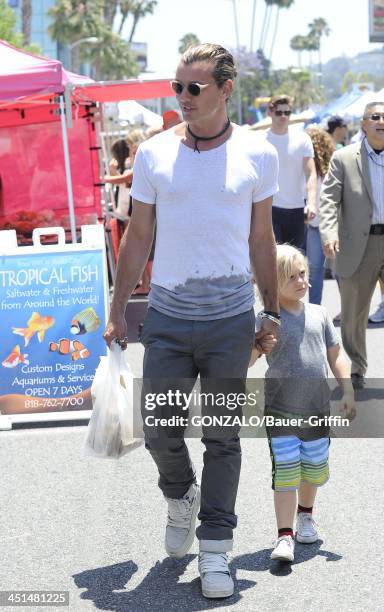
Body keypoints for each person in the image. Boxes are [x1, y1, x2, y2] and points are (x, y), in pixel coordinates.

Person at [103, 43, 280, 599]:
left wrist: (270, 311)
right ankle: (181, 495)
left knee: (223, 438)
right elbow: (138, 237)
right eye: (177, 87)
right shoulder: (154, 154)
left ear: (226, 90)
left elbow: (261, 238)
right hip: (169, 319)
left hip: (231, 320)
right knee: (160, 429)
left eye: (194, 88)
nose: (182, 97)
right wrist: (116, 310)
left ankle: (216, 551)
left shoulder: (258, 154)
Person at [252, 244, 355, 562]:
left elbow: (336, 357)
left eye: (303, 274)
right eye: (292, 277)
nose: (302, 281)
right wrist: (258, 344)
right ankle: (284, 536)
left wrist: (347, 390)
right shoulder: (268, 320)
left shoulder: (319, 314)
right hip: (281, 409)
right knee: (285, 471)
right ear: (273, 283)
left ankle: (306, 515)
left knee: (313, 470)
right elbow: (250, 359)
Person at [319, 101, 384, 390]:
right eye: (376, 116)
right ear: (364, 123)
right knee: (354, 315)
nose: (382, 121)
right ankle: (357, 367)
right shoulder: (344, 158)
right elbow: (329, 200)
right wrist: (328, 234)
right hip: (359, 245)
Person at [265, 95, 317, 249]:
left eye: (287, 113)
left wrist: (312, 203)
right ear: (270, 113)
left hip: (297, 209)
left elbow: (311, 174)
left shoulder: (302, 139)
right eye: (278, 112)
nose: (283, 116)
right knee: (276, 258)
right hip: (269, 208)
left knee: (296, 260)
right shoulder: (261, 140)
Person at [305, 127, 335, 304]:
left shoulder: (333, 169)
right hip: (315, 227)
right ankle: (315, 309)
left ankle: (348, 310)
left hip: (330, 227)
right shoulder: (305, 171)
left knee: (337, 270)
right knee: (315, 269)